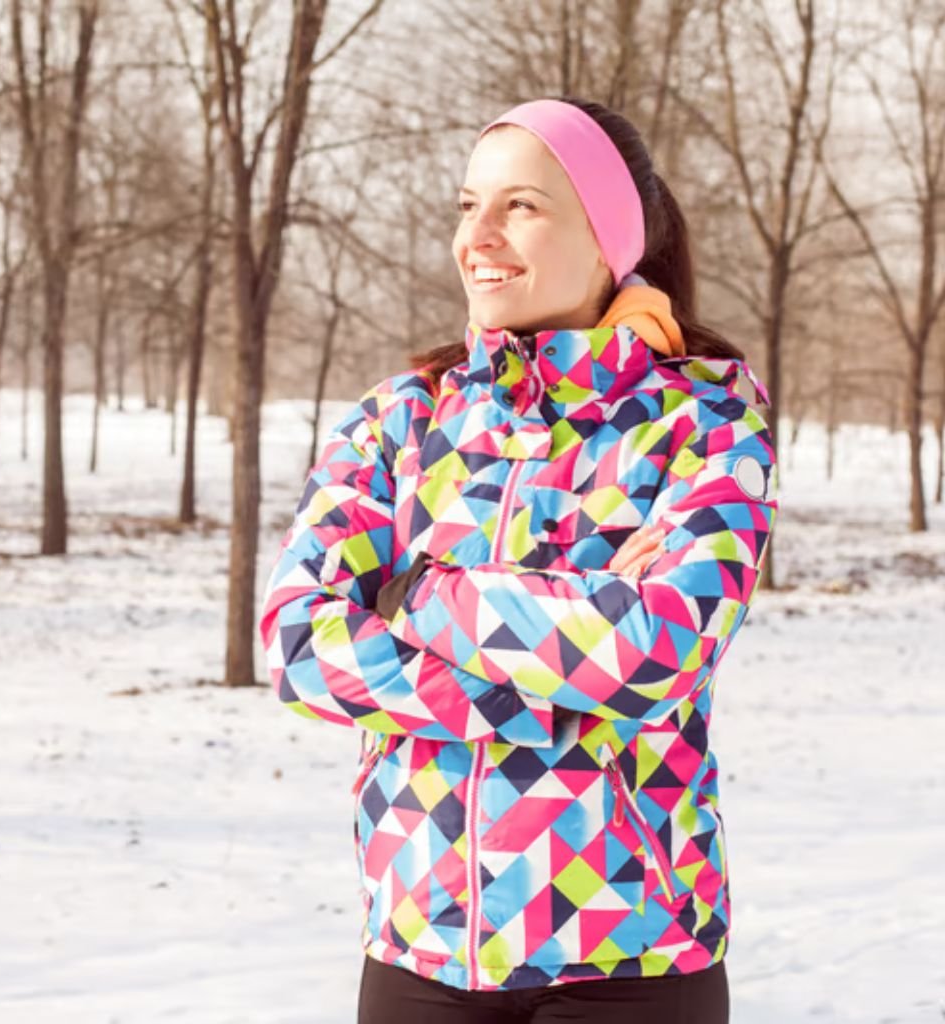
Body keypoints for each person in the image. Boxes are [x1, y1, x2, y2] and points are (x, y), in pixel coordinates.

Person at [261, 97, 777, 1023]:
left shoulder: (703, 422)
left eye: (521, 206)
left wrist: (418, 596)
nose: (479, 237)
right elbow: (300, 644)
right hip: (421, 948)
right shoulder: (401, 419)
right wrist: (557, 679)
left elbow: (654, 651)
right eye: (469, 206)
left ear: (609, 238)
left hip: (634, 953)